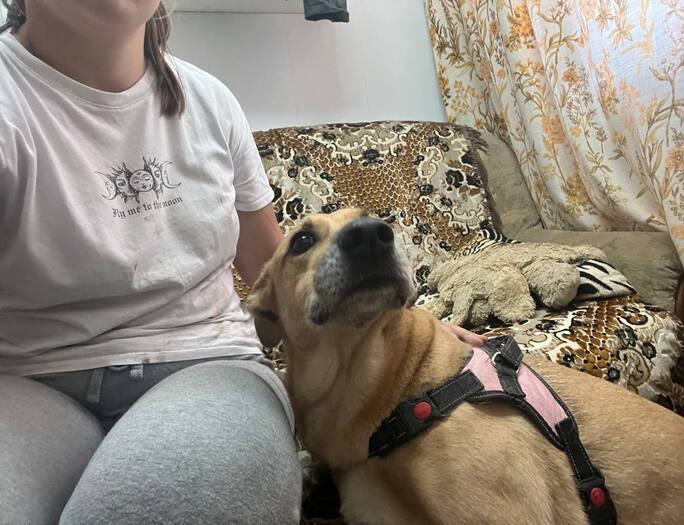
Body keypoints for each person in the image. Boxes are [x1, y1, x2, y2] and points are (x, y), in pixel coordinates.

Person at [0, 1, 486, 524]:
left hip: (206, 366)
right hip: (27, 382)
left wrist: (410, 324)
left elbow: (275, 277)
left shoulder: (211, 102)